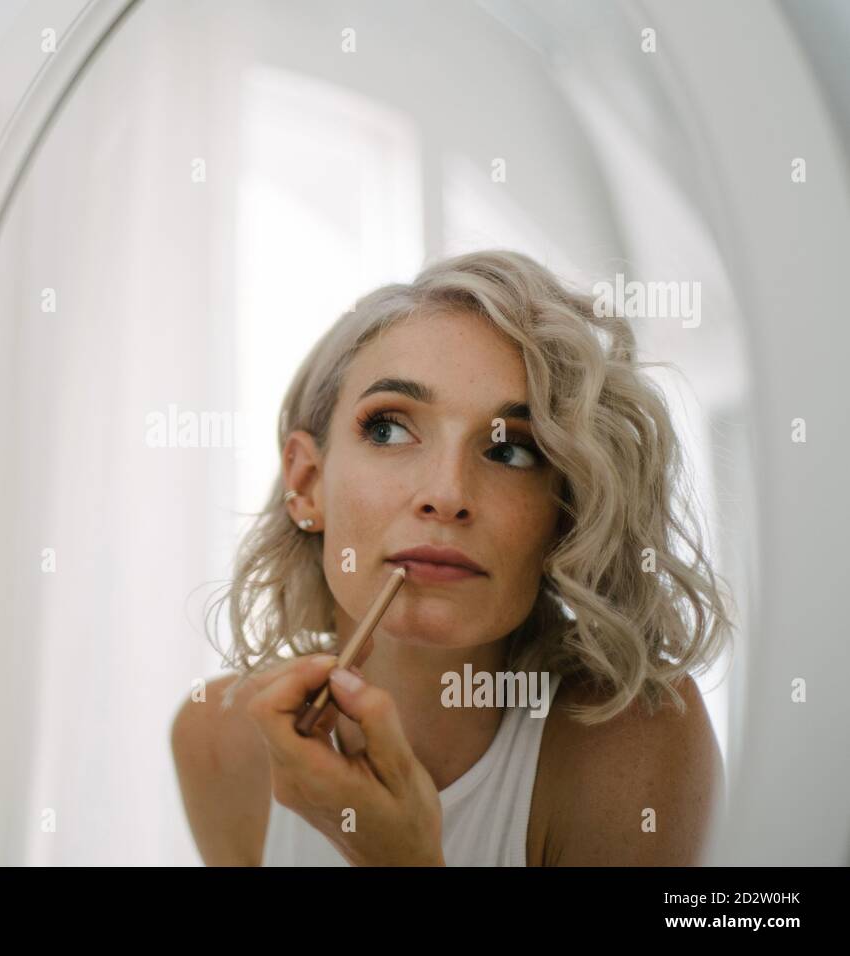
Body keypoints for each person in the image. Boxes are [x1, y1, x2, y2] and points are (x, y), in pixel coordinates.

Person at [172, 249, 733, 866]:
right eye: (388, 429)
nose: (446, 494)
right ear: (306, 484)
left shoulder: (634, 741)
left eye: (511, 451)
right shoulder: (219, 742)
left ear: (565, 517)